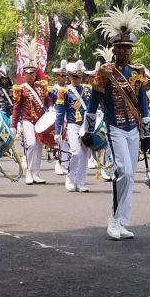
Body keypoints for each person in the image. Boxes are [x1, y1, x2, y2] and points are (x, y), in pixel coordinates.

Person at [82, 6, 150, 240]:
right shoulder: (105, 73)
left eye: (128, 48)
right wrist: (88, 130)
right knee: (123, 170)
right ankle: (113, 219)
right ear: (113, 49)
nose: (125, 52)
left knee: (130, 176)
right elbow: (93, 103)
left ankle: (122, 221)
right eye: (121, 48)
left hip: (133, 128)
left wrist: (146, 135)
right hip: (114, 129)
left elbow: (143, 104)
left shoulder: (138, 72)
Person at [12, 40, 50, 185]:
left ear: (36, 73)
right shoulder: (20, 88)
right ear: (24, 74)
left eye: (33, 73)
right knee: (31, 144)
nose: (30, 76)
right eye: (27, 73)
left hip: (40, 120)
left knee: (40, 146)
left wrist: (51, 107)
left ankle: (36, 173)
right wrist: (14, 125)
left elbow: (47, 101)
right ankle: (28, 171)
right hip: (27, 119)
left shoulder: (42, 86)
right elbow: (16, 108)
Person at [55, 61, 93, 192]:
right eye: (75, 77)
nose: (78, 79)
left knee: (85, 154)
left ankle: (81, 181)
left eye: (80, 77)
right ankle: (70, 179)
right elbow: (60, 113)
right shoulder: (64, 92)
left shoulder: (88, 90)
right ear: (69, 77)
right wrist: (57, 131)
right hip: (72, 125)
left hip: (86, 125)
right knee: (76, 152)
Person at [50, 60, 70, 176]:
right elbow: (49, 102)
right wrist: (50, 109)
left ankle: (65, 163)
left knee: (67, 141)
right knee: (58, 141)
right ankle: (58, 163)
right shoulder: (53, 89)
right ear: (57, 76)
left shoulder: (69, 88)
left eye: (65, 76)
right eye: (61, 76)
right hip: (57, 116)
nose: (64, 78)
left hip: (68, 117)